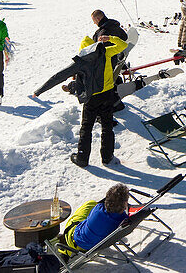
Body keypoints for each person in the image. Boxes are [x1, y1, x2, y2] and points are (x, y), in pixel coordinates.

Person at [73, 32, 129, 167]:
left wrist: (38, 92)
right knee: (107, 126)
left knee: (86, 127)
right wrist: (110, 38)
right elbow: (123, 45)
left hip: (91, 97)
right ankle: (107, 157)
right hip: (107, 95)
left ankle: (82, 158)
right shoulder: (106, 52)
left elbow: (61, 76)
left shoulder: (81, 61)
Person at [58, 184, 130, 253]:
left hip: (74, 239)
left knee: (89, 205)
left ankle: (65, 245)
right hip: (95, 245)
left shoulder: (98, 209)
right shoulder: (123, 219)